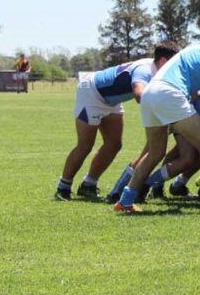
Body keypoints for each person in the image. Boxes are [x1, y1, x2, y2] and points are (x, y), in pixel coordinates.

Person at [113, 16, 200, 215]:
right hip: (170, 94)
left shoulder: (197, 48)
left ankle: (125, 200)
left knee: (155, 152)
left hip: (150, 93)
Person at [55, 41, 181, 201]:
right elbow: (138, 93)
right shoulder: (145, 69)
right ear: (163, 61)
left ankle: (88, 184)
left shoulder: (158, 71)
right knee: (85, 145)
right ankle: (63, 187)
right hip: (92, 91)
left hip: (110, 100)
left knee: (114, 144)